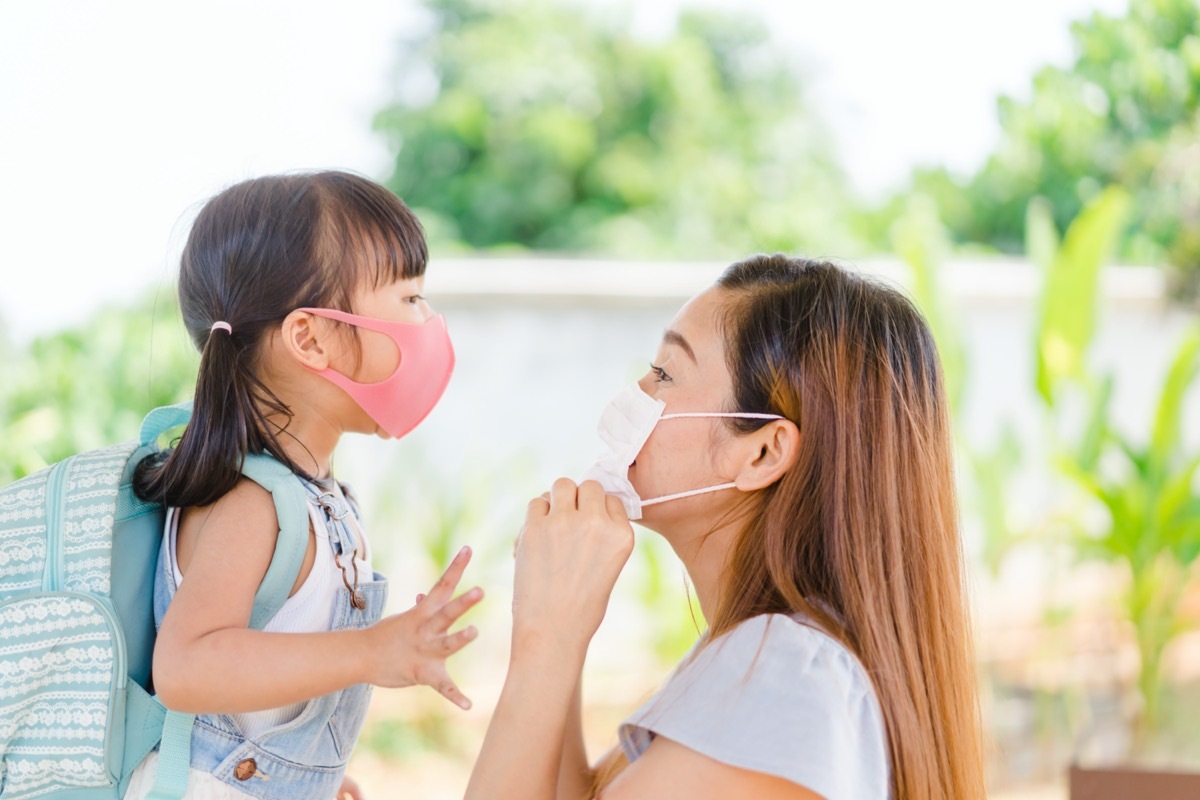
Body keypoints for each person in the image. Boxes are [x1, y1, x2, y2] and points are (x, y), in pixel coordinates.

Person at [467, 255, 986, 799]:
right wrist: (557, 624)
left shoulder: (784, 675)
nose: (634, 394)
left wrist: (545, 639)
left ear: (762, 453)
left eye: (665, 373)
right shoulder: (762, 655)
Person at [124, 171, 482, 800]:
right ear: (311, 338)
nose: (428, 322)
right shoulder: (251, 502)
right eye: (408, 299)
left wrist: (314, 775)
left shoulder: (324, 499)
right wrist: (373, 650)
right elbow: (186, 667)